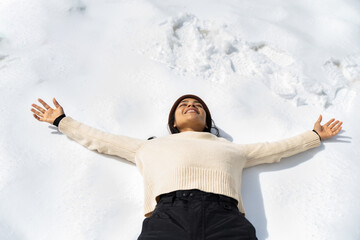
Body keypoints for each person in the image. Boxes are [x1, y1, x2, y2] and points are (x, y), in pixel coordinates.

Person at [30, 94, 342, 240]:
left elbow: (275, 150)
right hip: (168, 216)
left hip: (225, 218)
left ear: (207, 120)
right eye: (183, 105)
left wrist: (314, 136)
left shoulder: (231, 149)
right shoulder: (149, 146)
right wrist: (61, 121)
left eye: (198, 106)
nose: (191, 106)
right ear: (173, 122)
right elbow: (102, 139)